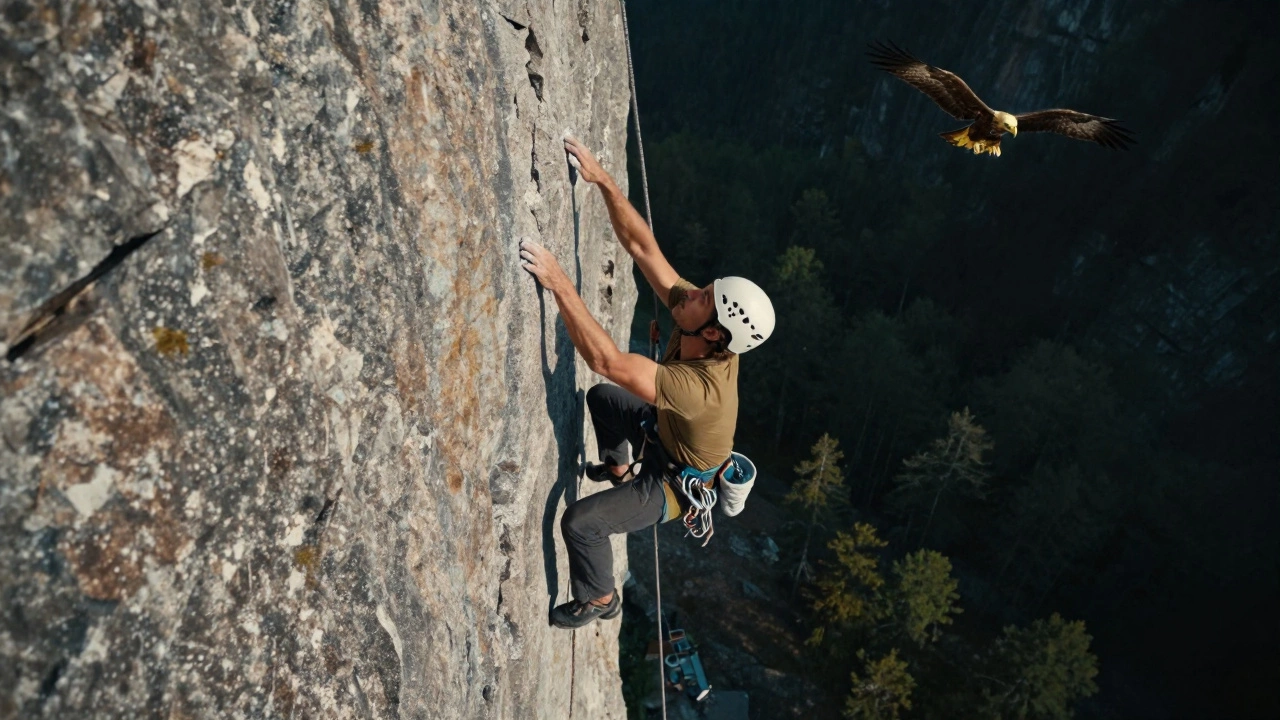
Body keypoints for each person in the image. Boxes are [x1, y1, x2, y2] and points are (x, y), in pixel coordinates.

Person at [519, 135, 775, 629]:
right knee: (604, 401)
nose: (692, 291)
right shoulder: (701, 324)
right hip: (661, 439)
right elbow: (642, 247)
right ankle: (618, 471)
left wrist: (558, 283)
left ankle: (599, 598)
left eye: (704, 296)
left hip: (672, 485)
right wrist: (605, 183)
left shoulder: (701, 390)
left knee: (582, 523)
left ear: (716, 331)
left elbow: (606, 359)